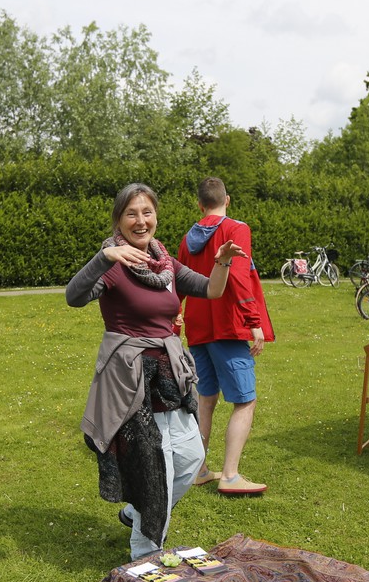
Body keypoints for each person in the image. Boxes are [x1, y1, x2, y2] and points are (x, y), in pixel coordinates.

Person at [66, 183, 247, 561]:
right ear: (119, 220)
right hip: (129, 380)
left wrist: (222, 262)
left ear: (156, 217)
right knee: (154, 469)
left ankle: (137, 514)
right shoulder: (114, 263)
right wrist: (104, 257)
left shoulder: (165, 263)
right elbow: (74, 296)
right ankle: (145, 556)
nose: (140, 220)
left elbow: (211, 290)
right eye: (131, 213)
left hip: (168, 377)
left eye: (147, 212)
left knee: (191, 457)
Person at [177, 176, 275, 495]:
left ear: (199, 204)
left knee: (206, 400)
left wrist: (174, 322)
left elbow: (178, 282)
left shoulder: (187, 238)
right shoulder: (237, 229)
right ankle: (230, 476)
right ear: (227, 200)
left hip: (198, 328)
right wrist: (253, 321)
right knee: (245, 401)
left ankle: (199, 469)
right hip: (228, 327)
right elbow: (239, 277)